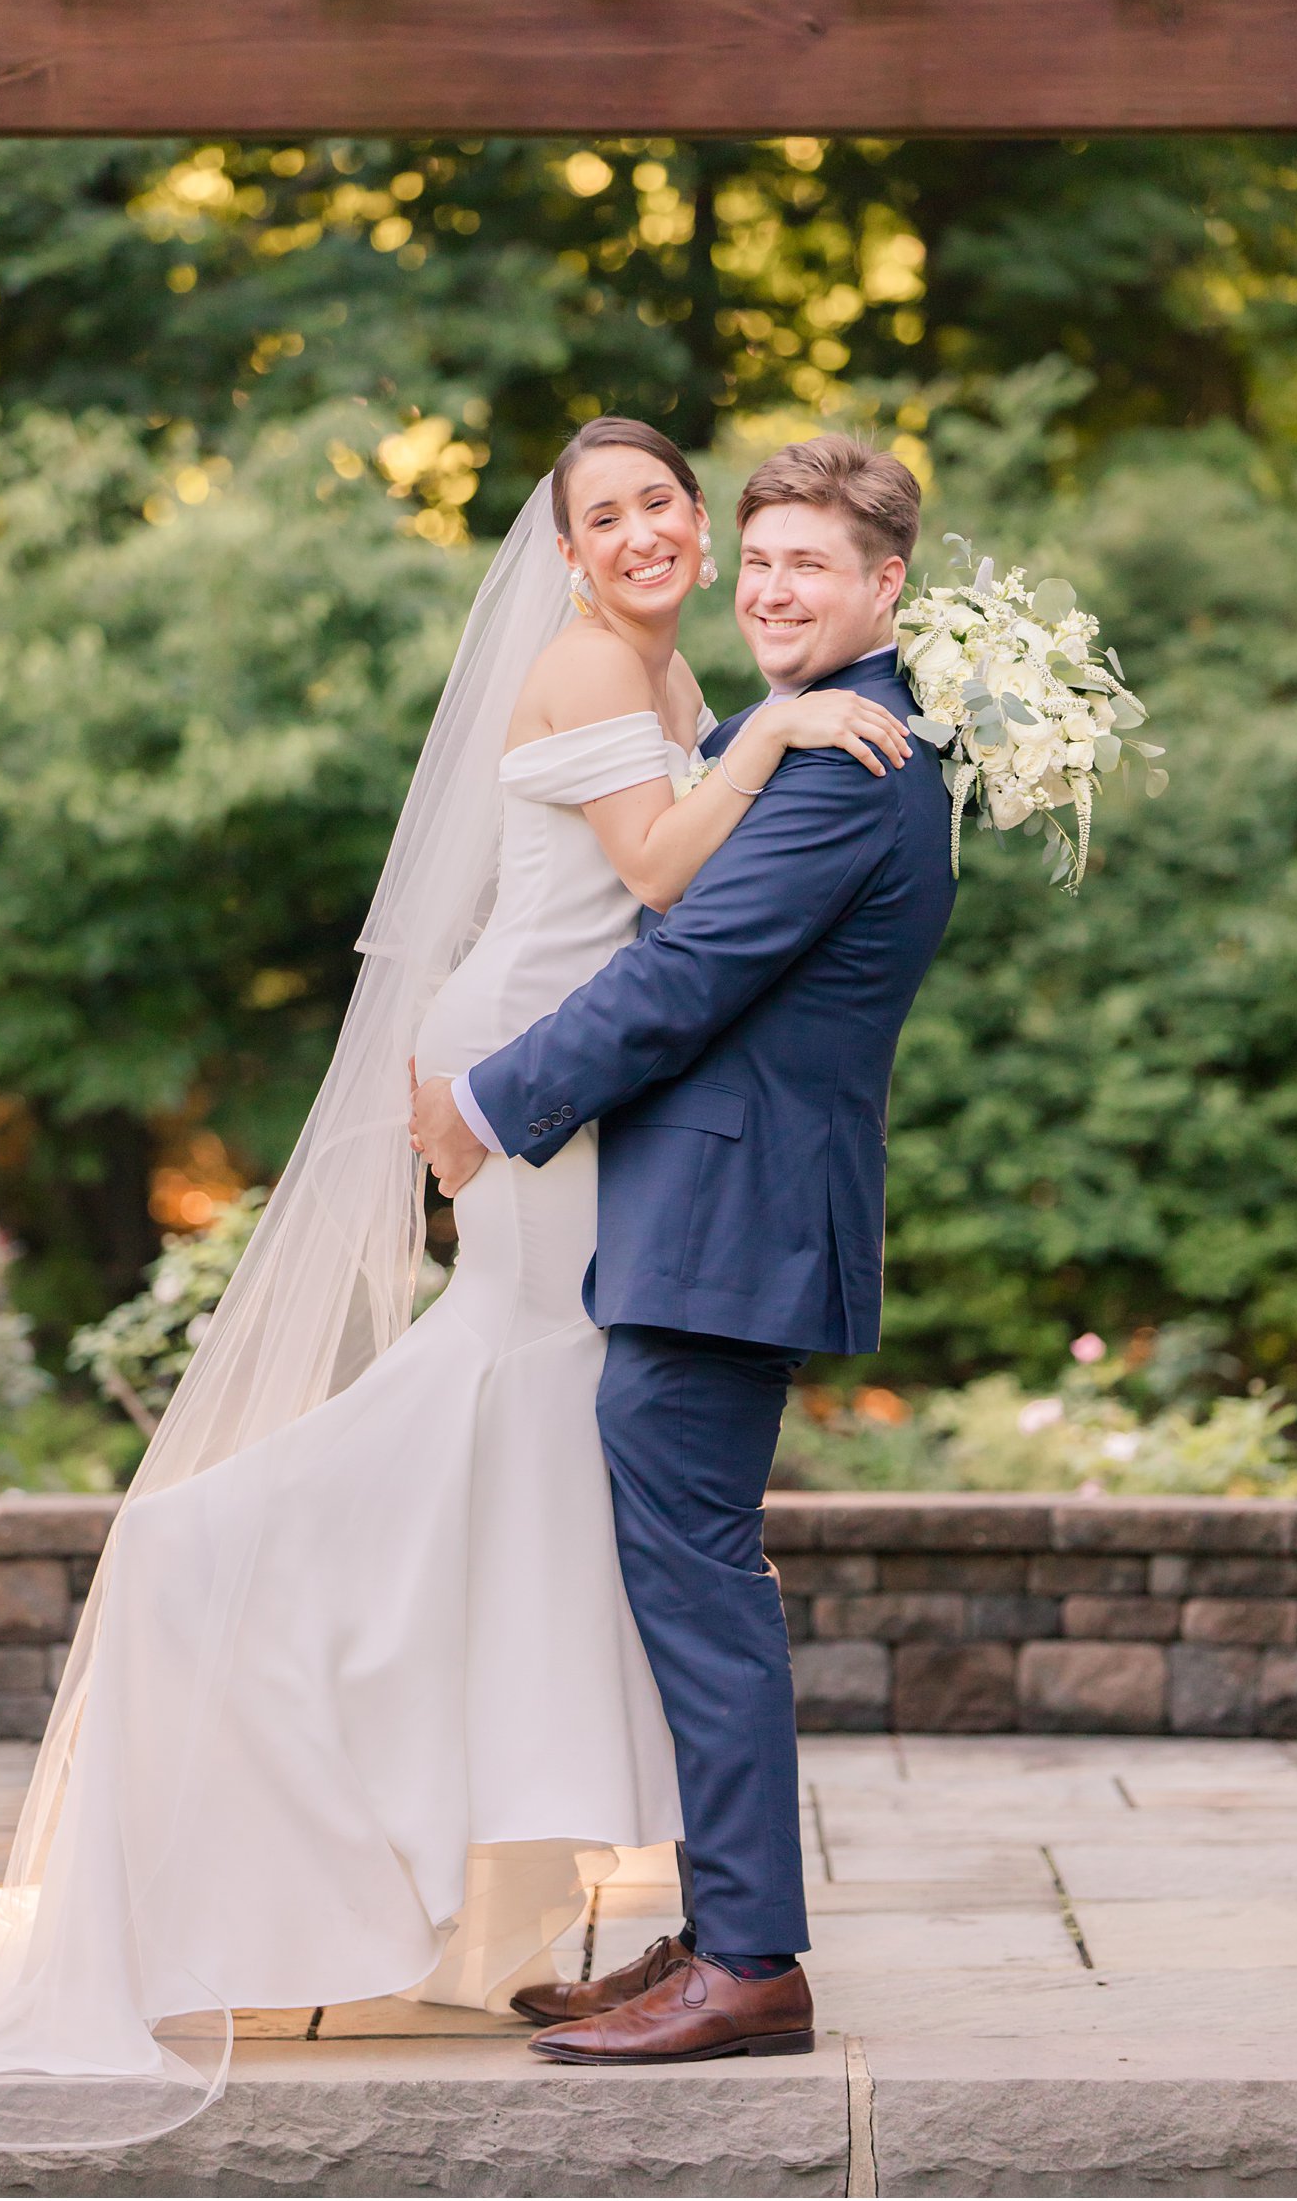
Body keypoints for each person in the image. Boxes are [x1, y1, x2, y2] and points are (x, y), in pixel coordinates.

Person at [0, 420, 908, 2152]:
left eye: (665, 507)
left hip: (558, 1092)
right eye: (604, 515)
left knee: (570, 1470)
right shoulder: (627, 673)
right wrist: (760, 736)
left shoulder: (692, 672)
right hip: (530, 1082)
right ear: (560, 551)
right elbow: (661, 892)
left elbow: (692, 934)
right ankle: (342, 1687)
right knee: (527, 1433)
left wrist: (753, 724)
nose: (651, 537)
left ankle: (633, 1903)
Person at [413, 432, 957, 2066]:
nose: (782, 587)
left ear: (886, 587)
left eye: (817, 565)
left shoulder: (847, 770)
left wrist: (492, 1105)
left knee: (702, 1585)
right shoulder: (803, 736)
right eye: (769, 558)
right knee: (679, 1574)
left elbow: (680, 972)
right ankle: (716, 1932)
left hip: (727, 1220)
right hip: (709, 1207)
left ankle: (753, 1965)